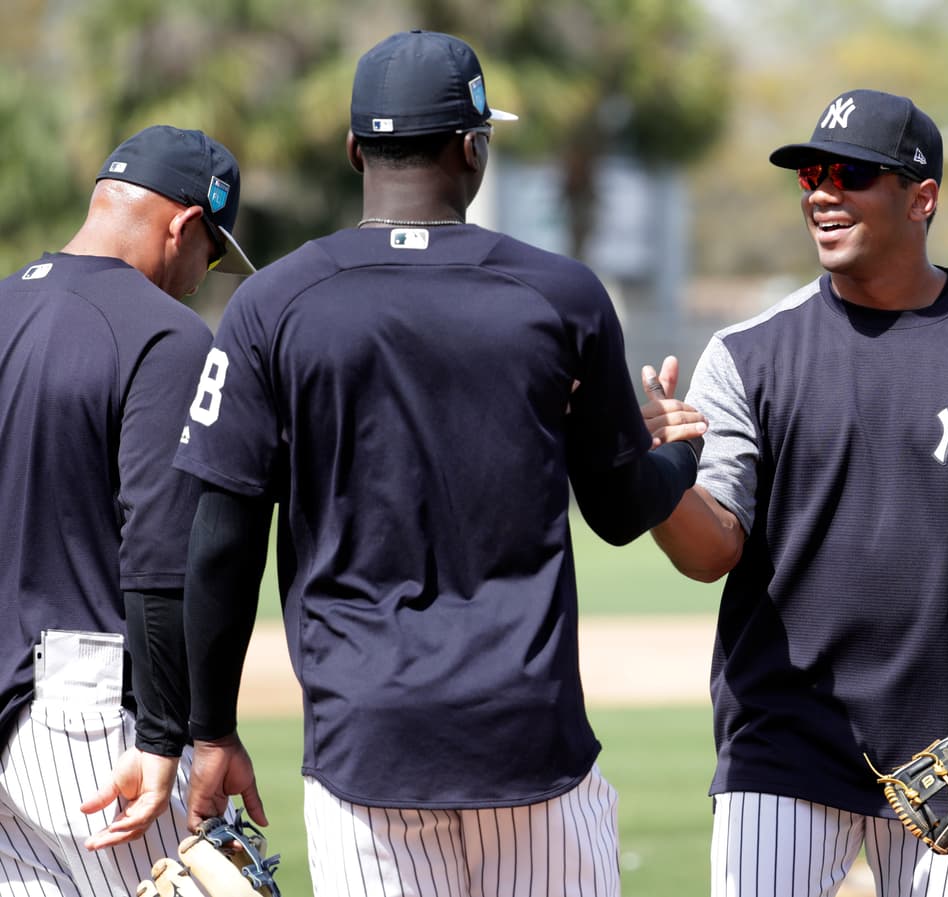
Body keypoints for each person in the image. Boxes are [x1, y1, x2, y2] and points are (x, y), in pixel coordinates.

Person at [172, 29, 706, 897]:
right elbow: (617, 510)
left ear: (354, 150)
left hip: (365, 744)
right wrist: (678, 455)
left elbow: (221, 541)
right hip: (528, 737)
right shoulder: (560, 293)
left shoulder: (273, 302)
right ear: (473, 146)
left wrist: (210, 729)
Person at [642, 89, 948, 897]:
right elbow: (713, 546)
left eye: (850, 174)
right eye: (810, 176)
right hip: (783, 745)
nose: (822, 192)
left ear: (922, 197)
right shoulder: (749, 356)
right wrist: (651, 479)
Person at [0, 125, 253, 895]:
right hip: (91, 718)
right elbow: (163, 561)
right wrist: (177, 729)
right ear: (183, 224)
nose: (202, 275)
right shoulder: (165, 334)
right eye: (209, 254)